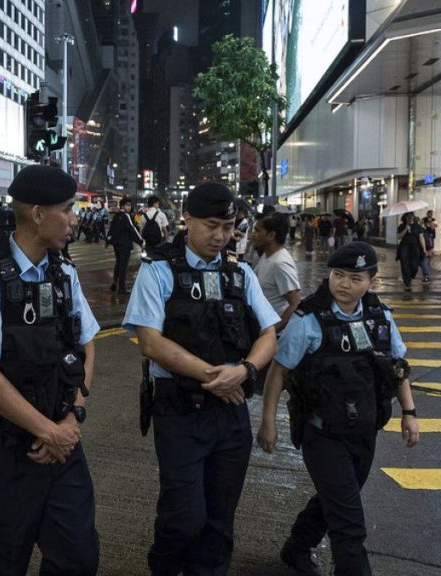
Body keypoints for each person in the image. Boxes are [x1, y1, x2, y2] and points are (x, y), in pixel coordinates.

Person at [123, 182, 279, 576]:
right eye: (212, 226)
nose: (221, 236)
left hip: (231, 415)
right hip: (180, 411)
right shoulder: (158, 270)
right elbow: (150, 343)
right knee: (182, 516)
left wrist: (245, 371)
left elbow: (269, 334)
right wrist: (217, 378)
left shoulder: (240, 273)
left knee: (220, 521)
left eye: (228, 227)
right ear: (187, 219)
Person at [0, 165, 101, 575]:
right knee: (0, 560)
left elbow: (87, 345)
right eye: (67, 209)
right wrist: (47, 431)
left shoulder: (63, 272)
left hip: (61, 438)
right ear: (37, 214)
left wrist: (71, 417)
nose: (74, 219)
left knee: (78, 556)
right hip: (4, 446)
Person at [258, 242, 420, 576]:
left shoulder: (380, 317)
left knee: (336, 498)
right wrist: (268, 421)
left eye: (355, 278)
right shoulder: (309, 319)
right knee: (349, 521)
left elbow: (397, 367)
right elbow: (279, 371)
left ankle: (297, 546)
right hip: (322, 433)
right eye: (338, 275)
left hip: (364, 431)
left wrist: (409, 413)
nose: (344, 284)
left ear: (371, 280)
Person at [250, 213, 301, 333]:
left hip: (272, 334)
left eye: (257, 230)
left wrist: (271, 332)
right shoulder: (267, 255)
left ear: (271, 235)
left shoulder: (280, 263)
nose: (252, 234)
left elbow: (295, 304)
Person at [107, 198, 144, 293]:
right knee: (123, 265)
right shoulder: (126, 216)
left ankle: (114, 283)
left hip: (116, 244)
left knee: (118, 263)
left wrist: (109, 240)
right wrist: (141, 241)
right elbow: (132, 229)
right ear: (122, 206)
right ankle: (122, 288)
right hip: (124, 244)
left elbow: (112, 229)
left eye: (130, 205)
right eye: (127, 205)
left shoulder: (116, 215)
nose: (129, 207)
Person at [395, 213, 424, 291]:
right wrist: (405, 229)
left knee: (415, 265)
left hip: (415, 247)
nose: (410, 218)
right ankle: (407, 282)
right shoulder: (401, 226)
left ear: (413, 217)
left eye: (411, 216)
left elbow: (421, 237)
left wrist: (424, 249)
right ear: (405, 218)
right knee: (405, 264)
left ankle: (410, 276)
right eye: (408, 216)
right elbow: (398, 237)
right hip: (404, 247)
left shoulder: (417, 226)